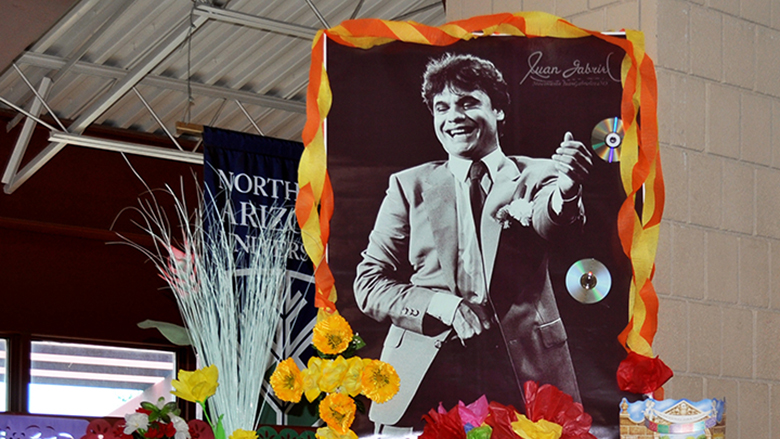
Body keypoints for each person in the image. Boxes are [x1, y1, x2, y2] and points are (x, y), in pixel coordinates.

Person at [353, 52, 594, 434]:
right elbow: (369, 284)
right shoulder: (408, 185)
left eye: (468, 102)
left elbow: (552, 220)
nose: (453, 117)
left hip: (523, 375)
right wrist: (445, 306)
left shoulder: (539, 174)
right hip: (426, 375)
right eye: (442, 107)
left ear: (498, 110)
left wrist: (567, 189)